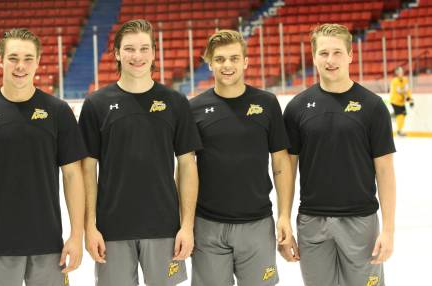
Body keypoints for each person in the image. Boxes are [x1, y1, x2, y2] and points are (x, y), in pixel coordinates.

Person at [0, 28, 87, 286]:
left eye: (27, 58)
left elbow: (73, 175)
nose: (20, 66)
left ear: (38, 61)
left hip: (49, 247)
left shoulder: (58, 112)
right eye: (13, 58)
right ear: (0, 60)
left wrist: (76, 235)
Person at [79, 19, 202, 286]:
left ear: (154, 53)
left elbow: (187, 165)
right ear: (117, 53)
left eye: (144, 48)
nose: (137, 56)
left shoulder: (175, 102)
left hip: (164, 229)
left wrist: (187, 226)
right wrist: (89, 227)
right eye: (130, 49)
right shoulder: (96, 105)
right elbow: (87, 170)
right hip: (112, 230)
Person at [283, 23, 396, 286]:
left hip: (360, 221)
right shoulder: (297, 107)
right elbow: (286, 169)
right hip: (312, 221)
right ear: (313, 57)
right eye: (323, 53)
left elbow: (385, 171)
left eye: (337, 53)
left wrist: (388, 230)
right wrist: (284, 219)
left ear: (350, 55)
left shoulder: (373, 106)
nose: (330, 60)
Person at [189, 30, 299, 286]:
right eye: (220, 59)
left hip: (257, 224)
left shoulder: (267, 103)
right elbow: (185, 168)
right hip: (207, 225)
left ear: (245, 61)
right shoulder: (193, 109)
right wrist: (184, 222)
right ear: (210, 63)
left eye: (234, 58)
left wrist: (284, 215)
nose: (227, 65)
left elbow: (281, 162)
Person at [390, 66, 414, 136]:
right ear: (396, 73)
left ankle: (394, 115)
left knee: (403, 114)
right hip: (395, 101)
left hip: (401, 102)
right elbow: (399, 90)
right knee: (400, 115)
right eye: (399, 71)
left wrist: (410, 100)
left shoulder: (405, 79)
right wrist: (407, 96)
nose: (401, 72)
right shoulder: (394, 81)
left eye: (401, 71)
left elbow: (407, 90)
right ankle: (399, 131)